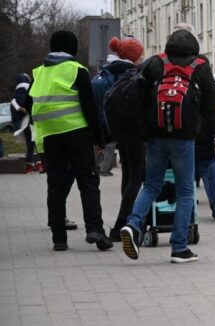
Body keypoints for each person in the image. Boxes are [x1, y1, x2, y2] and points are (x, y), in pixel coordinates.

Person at [120, 28, 215, 263]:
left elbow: (137, 98)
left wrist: (140, 130)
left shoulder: (155, 64)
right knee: (185, 191)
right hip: (184, 138)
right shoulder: (200, 67)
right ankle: (179, 247)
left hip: (155, 136)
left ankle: (133, 224)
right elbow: (212, 106)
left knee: (151, 186)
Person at [26, 30, 113, 251]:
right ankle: (95, 230)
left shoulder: (38, 73)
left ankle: (59, 239)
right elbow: (90, 107)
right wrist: (99, 137)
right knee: (88, 181)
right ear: (72, 48)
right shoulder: (76, 70)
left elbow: (28, 105)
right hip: (77, 133)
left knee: (55, 184)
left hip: (49, 137)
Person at [92, 36, 147, 241]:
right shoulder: (132, 74)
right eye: (141, 54)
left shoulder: (109, 72)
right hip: (135, 133)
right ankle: (122, 225)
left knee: (129, 176)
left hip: (119, 132)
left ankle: (125, 221)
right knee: (138, 178)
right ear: (135, 56)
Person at [11, 73, 42, 174]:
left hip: (25, 123)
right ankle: (33, 165)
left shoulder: (16, 96)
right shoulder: (31, 92)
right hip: (31, 122)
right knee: (34, 143)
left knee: (32, 143)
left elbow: (18, 108)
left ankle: (35, 165)